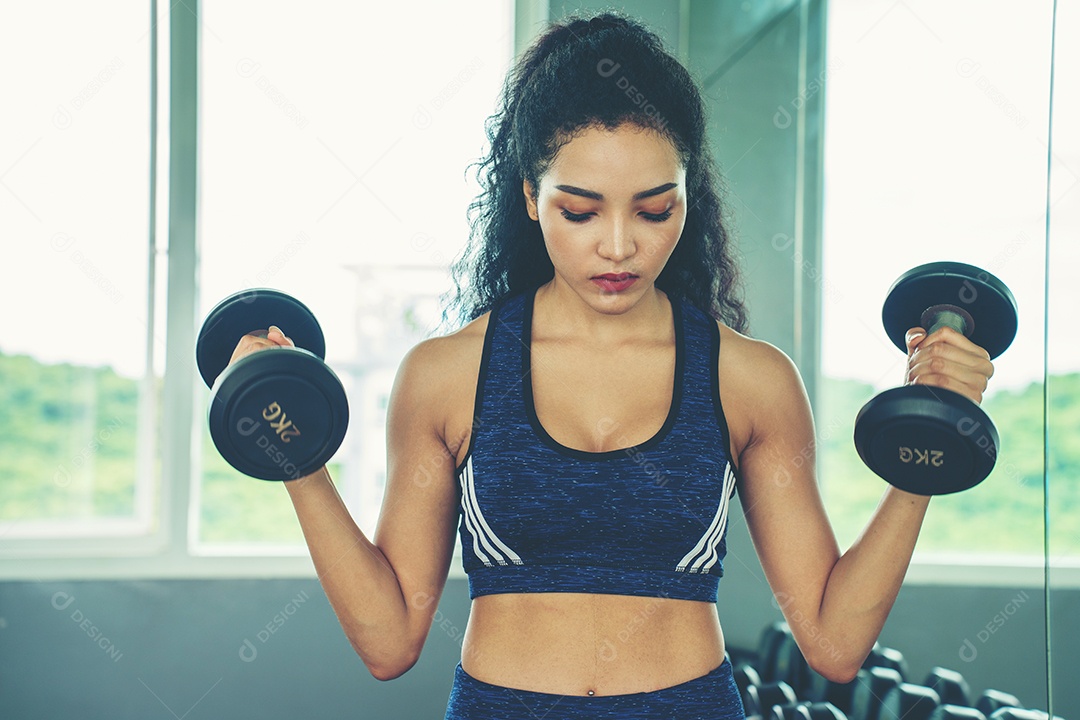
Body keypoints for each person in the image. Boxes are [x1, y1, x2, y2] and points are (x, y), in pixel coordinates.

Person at [230, 12, 996, 719]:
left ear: (690, 199)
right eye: (581, 210)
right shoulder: (446, 376)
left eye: (656, 209)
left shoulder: (750, 379)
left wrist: (923, 452)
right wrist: (296, 456)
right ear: (531, 197)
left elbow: (832, 642)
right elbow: (390, 641)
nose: (621, 246)